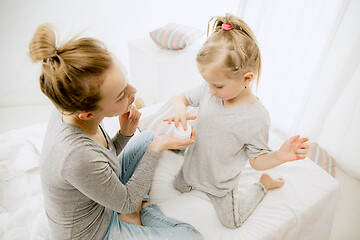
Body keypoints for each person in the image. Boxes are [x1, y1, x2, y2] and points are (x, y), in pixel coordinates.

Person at [29, 23, 203, 240]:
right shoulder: (75, 156)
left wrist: (125, 133)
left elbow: (102, 158)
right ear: (88, 113)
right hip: (94, 232)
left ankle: (134, 210)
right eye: (121, 95)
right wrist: (157, 149)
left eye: (126, 81)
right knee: (191, 236)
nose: (133, 91)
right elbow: (123, 197)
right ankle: (143, 212)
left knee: (148, 137)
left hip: (102, 197)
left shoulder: (69, 106)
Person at [165, 14, 310, 229]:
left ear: (247, 78)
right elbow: (182, 98)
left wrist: (280, 155)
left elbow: (257, 161)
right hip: (192, 170)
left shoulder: (257, 117)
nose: (211, 90)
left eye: (218, 86)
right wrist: (179, 109)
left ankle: (263, 186)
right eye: (208, 83)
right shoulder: (209, 89)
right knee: (176, 186)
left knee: (232, 222)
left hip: (221, 185)